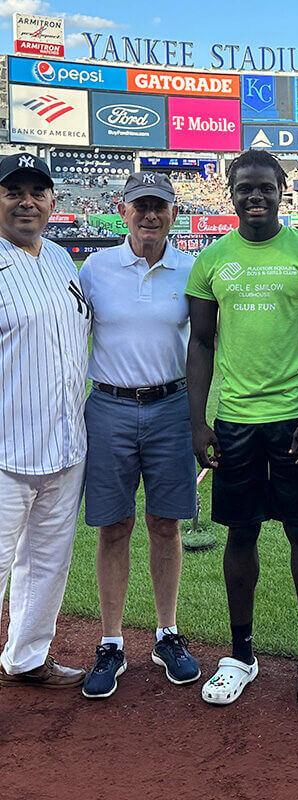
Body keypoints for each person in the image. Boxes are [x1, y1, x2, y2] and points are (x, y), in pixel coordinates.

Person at [186, 149, 298, 707]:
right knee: (240, 533)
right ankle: (241, 653)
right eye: (244, 187)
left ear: (282, 189)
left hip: (292, 417)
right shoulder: (211, 260)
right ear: (230, 192)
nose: (255, 196)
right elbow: (200, 342)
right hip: (235, 423)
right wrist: (197, 424)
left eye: (265, 187)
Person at [79, 172, 200, 699]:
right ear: (122, 210)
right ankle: (111, 640)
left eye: (160, 206)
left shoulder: (192, 270)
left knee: (166, 523)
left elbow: (207, 347)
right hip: (108, 405)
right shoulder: (95, 268)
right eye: (140, 206)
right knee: (113, 526)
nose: (150, 215)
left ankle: (166, 633)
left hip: (171, 405)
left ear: (174, 213)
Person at [0, 152, 90, 689]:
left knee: (46, 564)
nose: (26, 201)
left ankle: (27, 657)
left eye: (37, 191)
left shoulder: (60, 259)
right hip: (5, 447)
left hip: (64, 445)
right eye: (14, 191)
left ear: (53, 201)